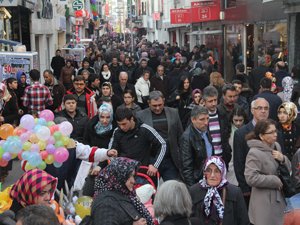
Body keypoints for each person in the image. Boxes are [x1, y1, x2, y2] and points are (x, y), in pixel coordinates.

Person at [245, 119, 291, 225]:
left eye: (275, 131)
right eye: (271, 132)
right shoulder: (254, 152)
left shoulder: (276, 146)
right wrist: (273, 180)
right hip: (263, 202)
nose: (275, 135)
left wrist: (283, 158)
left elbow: (288, 169)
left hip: (280, 198)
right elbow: (250, 178)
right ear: (261, 136)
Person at [91, 157, 154, 225]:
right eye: (128, 176)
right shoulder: (105, 202)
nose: (133, 181)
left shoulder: (127, 195)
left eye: (133, 176)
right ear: (118, 177)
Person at [136, 91, 183, 180]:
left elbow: (180, 136)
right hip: (151, 160)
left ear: (164, 101)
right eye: (154, 106)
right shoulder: (140, 116)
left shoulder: (174, 113)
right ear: (149, 103)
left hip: (170, 159)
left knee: (172, 189)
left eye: (160, 105)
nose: (157, 108)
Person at [189, 156, 249, 225]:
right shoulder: (194, 191)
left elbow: (243, 221)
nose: (212, 175)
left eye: (217, 171)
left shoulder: (235, 192)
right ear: (204, 172)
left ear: (223, 173)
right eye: (208, 170)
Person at [233, 97, 270, 207]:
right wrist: (245, 189)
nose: (263, 111)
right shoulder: (241, 134)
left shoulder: (275, 132)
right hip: (251, 189)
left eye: (266, 108)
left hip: (271, 188)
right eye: (259, 108)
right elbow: (239, 163)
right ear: (252, 110)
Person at [109, 107, 166, 176]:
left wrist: (155, 165)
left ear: (132, 119)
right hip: (124, 173)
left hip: (142, 173)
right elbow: (112, 152)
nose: (121, 127)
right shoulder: (117, 131)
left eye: (124, 124)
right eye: (119, 124)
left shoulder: (144, 129)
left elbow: (162, 144)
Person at [180, 106, 214, 186]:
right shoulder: (187, 137)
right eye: (202, 119)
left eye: (207, 118)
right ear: (193, 120)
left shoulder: (205, 130)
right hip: (197, 181)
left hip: (208, 176)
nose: (206, 122)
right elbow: (187, 167)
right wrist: (193, 188)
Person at [227, 107, 248, 186]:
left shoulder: (247, 130)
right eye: (236, 120)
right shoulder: (227, 130)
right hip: (230, 164)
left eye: (240, 120)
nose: (238, 123)